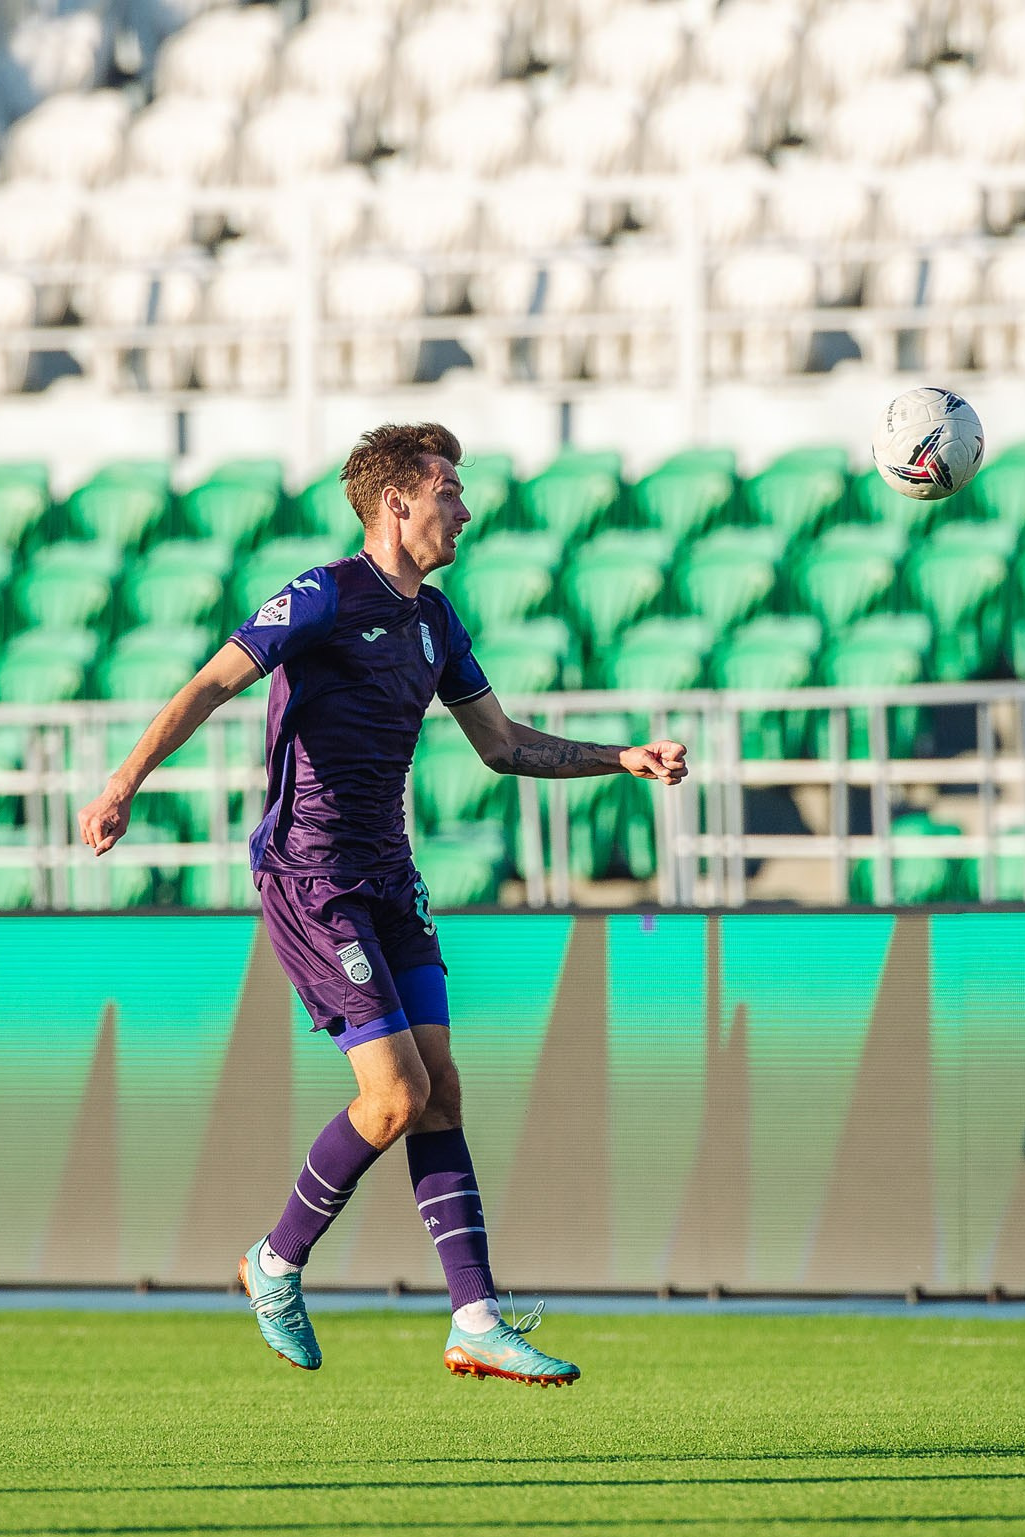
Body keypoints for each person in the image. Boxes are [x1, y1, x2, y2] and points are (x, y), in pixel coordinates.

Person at [78, 423, 688, 1385]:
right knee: (396, 1096)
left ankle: (476, 1318)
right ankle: (274, 1264)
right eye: (449, 489)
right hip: (311, 877)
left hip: (391, 876)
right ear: (396, 503)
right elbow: (210, 683)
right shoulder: (323, 594)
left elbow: (500, 745)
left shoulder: (437, 621)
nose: (466, 508)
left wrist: (621, 759)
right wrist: (124, 782)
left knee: (440, 1089)